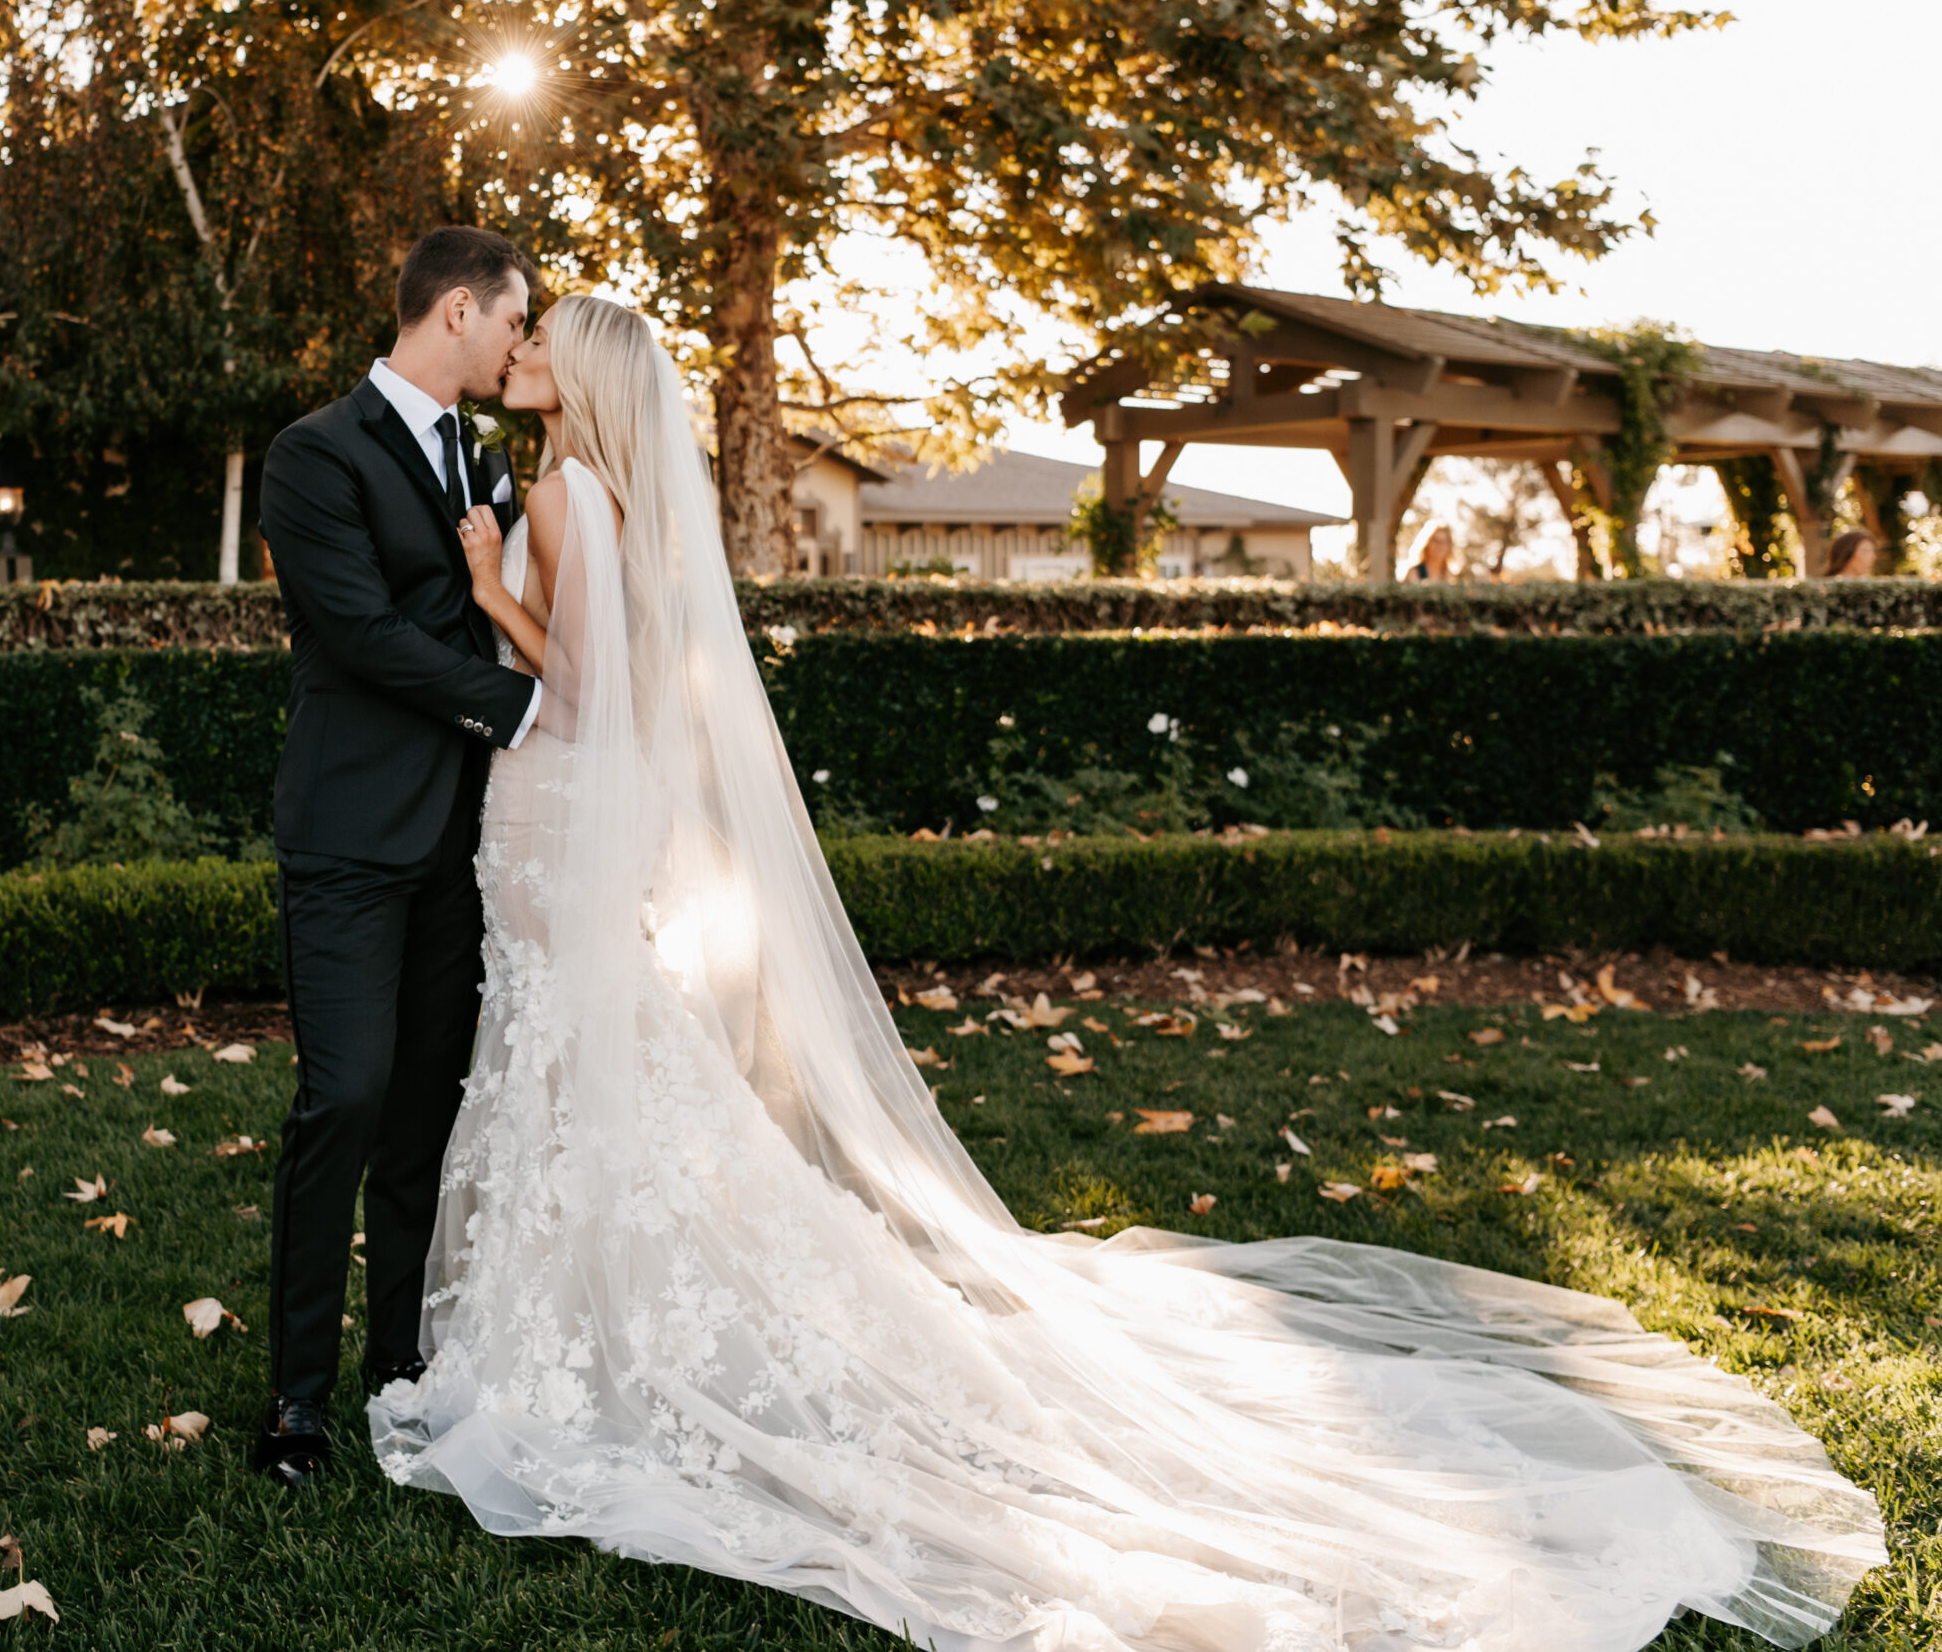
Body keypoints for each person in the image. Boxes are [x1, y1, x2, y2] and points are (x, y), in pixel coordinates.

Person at [371, 292, 1887, 1651]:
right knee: (605, 1062)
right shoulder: (617, 492)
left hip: (555, 803)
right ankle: (610, 1311)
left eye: (546, 334)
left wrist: (493, 580)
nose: (527, 348)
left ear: (584, 376)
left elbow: (572, 687)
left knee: (578, 1056)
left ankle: (574, 1333)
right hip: (590, 815)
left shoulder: (562, 497)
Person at [249, 227, 542, 1487]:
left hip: (461, 842)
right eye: (516, 319)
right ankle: (295, 1403)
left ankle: (398, 1367)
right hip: (350, 837)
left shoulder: (484, 456)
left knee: (426, 1114)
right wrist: (518, 705)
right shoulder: (312, 455)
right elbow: (361, 634)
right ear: (460, 311)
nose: (522, 343)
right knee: (346, 1099)